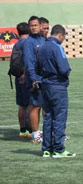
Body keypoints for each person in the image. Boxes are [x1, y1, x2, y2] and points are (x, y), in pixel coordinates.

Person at [37, 25, 75, 158]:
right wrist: (68, 70)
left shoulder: (41, 47)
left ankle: (46, 149)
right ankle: (59, 149)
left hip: (45, 84)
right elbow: (64, 68)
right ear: (61, 35)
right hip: (57, 85)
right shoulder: (57, 47)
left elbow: (37, 68)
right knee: (59, 117)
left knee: (48, 117)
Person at [23, 16, 45, 144]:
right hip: (35, 79)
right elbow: (28, 63)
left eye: (36, 25)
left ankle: (45, 132)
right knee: (35, 106)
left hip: (45, 79)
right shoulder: (28, 42)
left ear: (40, 26)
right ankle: (35, 134)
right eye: (31, 25)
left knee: (45, 106)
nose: (34, 27)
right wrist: (33, 79)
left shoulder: (43, 40)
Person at [10, 22, 31, 138]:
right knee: (30, 104)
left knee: (21, 105)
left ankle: (22, 130)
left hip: (17, 76)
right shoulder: (27, 43)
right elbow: (28, 60)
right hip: (26, 76)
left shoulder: (16, 44)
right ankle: (31, 129)